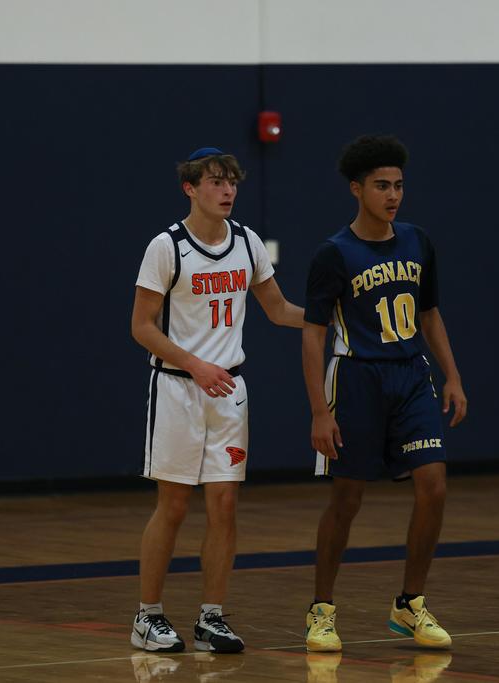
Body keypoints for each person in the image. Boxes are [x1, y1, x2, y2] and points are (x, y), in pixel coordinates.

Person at [130, 147, 304, 653]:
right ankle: (147, 616)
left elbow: (278, 310)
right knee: (173, 505)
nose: (227, 190)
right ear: (190, 188)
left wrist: (331, 317)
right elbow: (141, 327)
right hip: (178, 388)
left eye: (232, 182)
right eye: (216, 182)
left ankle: (211, 617)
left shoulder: (248, 242)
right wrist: (195, 365)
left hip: (228, 391)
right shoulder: (166, 246)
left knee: (225, 505)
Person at [300, 134, 467, 652]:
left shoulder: (418, 241)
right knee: (347, 499)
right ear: (357, 189)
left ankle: (409, 604)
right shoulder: (334, 253)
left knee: (434, 485)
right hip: (357, 379)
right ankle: (321, 611)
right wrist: (320, 410)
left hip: (411, 376)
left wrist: (453, 376)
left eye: (398, 185)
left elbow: (429, 313)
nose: (392, 195)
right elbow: (313, 335)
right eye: (381, 186)